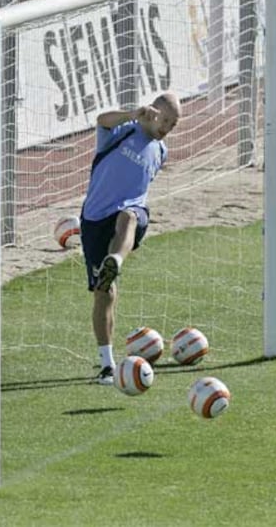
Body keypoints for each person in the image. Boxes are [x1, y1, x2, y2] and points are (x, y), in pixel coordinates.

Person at [80, 91, 182, 385]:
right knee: (104, 293)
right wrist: (131, 114)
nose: (167, 128)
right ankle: (107, 365)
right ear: (153, 111)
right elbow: (102, 120)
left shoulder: (161, 151)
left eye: (173, 125)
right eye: (166, 120)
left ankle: (117, 258)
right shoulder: (124, 130)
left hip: (131, 211)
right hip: (95, 219)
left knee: (130, 215)